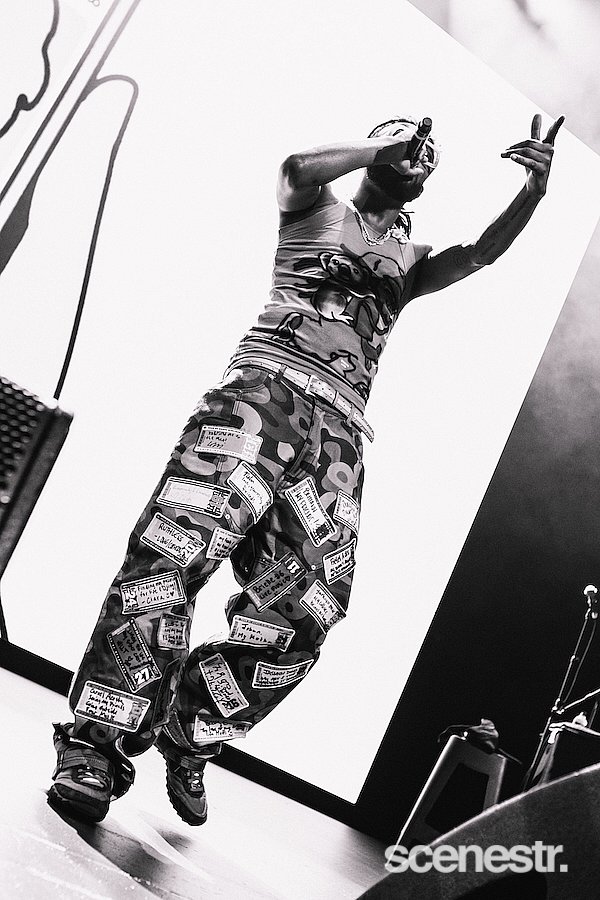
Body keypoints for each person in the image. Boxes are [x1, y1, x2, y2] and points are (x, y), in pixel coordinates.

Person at [48, 111, 563, 825]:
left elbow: (480, 252)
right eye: (404, 138)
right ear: (374, 148)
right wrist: (387, 145)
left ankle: (190, 727)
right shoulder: (317, 208)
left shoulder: (410, 260)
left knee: (309, 607)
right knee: (171, 557)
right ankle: (95, 750)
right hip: (262, 399)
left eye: (428, 154)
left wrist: (531, 195)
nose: (418, 152)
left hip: (339, 439)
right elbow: (296, 167)